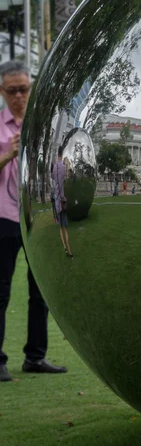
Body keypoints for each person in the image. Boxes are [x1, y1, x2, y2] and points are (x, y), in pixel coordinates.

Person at [0, 61, 67, 382]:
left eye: (23, 90)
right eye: (11, 90)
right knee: (1, 292)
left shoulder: (41, 129)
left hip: (37, 218)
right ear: (2, 91)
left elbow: (54, 171)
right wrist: (7, 155)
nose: (18, 96)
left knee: (40, 290)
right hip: (4, 218)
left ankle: (35, 357)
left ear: (31, 90)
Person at [52, 146, 73, 259]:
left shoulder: (55, 167)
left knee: (61, 227)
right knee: (65, 227)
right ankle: (69, 251)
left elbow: (53, 179)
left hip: (57, 202)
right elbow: (64, 179)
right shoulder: (63, 167)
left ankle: (65, 247)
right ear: (62, 154)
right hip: (62, 201)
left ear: (57, 154)